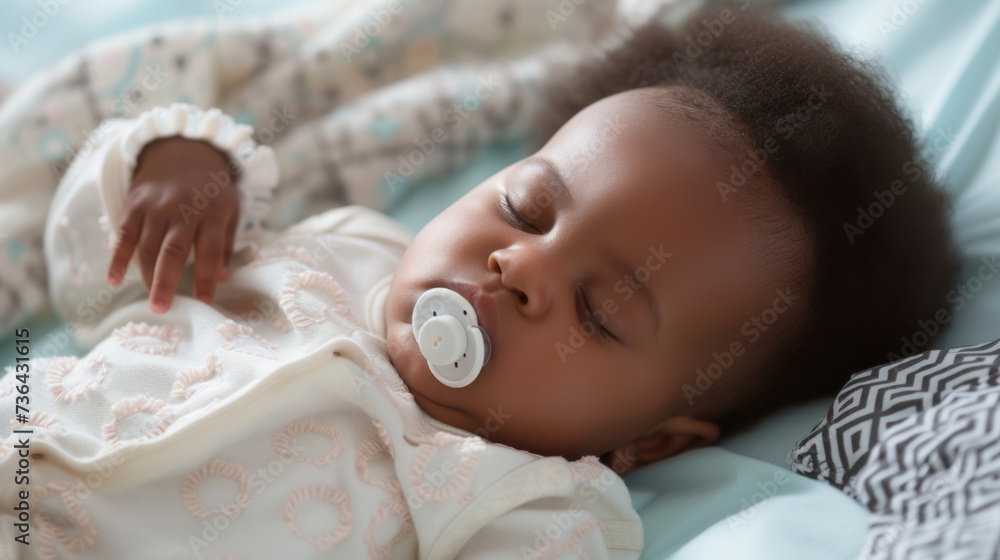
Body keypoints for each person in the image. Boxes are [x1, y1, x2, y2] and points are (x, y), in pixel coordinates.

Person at [0, 4, 957, 559]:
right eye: (527, 210)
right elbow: (99, 283)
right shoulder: (336, 247)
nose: (523, 267)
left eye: (600, 308)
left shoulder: (531, 508)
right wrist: (165, 168)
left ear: (653, 440)